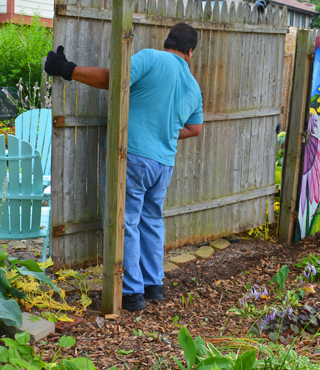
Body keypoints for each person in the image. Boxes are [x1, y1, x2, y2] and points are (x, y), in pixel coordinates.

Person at [44, 22, 203, 311]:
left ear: (167, 41)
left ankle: (131, 293)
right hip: (163, 164)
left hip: (134, 156)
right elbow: (194, 128)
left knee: (126, 221)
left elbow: (115, 79)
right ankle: (154, 285)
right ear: (190, 52)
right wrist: (164, 130)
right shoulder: (193, 86)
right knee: (152, 221)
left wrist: (67, 69)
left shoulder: (151, 57)